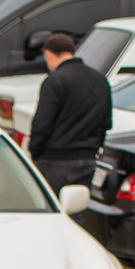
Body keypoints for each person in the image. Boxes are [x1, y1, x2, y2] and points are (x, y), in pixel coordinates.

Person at [28, 32, 112, 193]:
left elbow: (42, 124)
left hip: (55, 161)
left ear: (49, 54)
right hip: (87, 159)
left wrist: (35, 153)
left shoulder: (54, 81)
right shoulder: (100, 80)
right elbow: (105, 122)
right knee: (77, 210)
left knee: (54, 210)